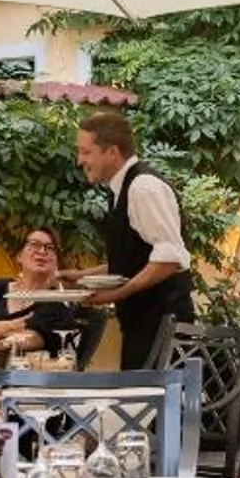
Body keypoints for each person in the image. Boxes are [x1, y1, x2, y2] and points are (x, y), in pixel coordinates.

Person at [73, 111, 192, 369]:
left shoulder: (143, 187)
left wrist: (115, 294)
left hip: (162, 330)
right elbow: (134, 258)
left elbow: (169, 259)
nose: (79, 160)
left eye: (85, 152)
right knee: (139, 406)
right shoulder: (123, 189)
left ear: (112, 152)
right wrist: (76, 276)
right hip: (145, 326)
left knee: (150, 408)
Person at [0, 226, 85, 360]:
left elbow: (22, 342)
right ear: (19, 256)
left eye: (50, 248)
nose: (42, 251)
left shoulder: (57, 303)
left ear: (56, 261)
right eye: (34, 245)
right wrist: (11, 326)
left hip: (25, 377)